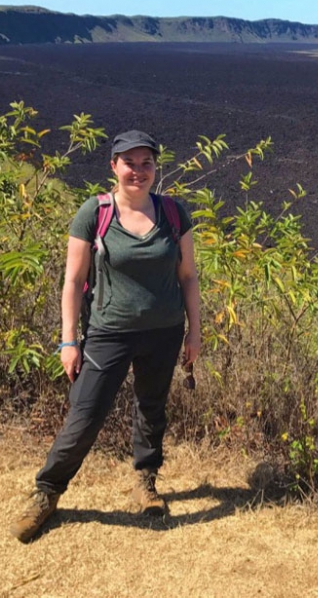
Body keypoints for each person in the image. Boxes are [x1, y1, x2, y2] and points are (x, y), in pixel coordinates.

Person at [11, 130, 201, 543]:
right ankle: (47, 492)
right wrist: (68, 340)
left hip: (164, 331)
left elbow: (188, 277)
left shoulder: (173, 213)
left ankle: (146, 481)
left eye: (146, 163)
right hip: (108, 333)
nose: (139, 171)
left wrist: (194, 334)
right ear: (113, 166)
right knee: (85, 416)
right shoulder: (94, 213)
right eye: (129, 162)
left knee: (151, 409)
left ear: (156, 168)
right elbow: (73, 280)